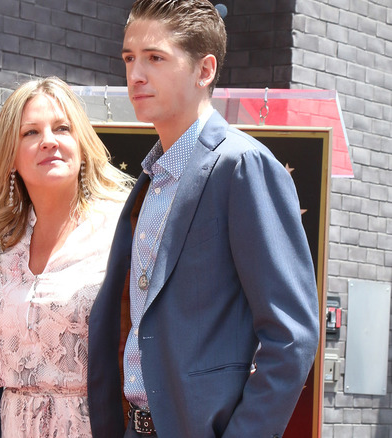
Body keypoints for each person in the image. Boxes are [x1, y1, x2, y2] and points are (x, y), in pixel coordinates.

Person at [87, 1, 320, 437]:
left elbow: (291, 336)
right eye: (129, 58)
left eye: (155, 58)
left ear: (205, 70)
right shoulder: (149, 180)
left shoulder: (242, 166)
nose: (136, 74)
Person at [0, 76, 132, 437]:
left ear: (81, 145)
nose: (48, 141)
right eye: (30, 133)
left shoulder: (122, 230)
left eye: (62, 128)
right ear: (10, 156)